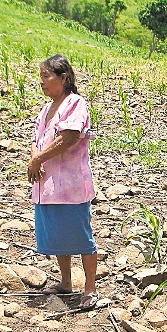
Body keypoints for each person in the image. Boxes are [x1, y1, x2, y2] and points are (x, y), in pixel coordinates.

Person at [28, 54, 99, 310]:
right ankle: (66, 282)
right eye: (41, 77)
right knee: (58, 235)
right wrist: (34, 160)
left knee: (81, 237)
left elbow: (68, 137)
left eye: (46, 76)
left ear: (63, 77)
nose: (42, 82)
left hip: (70, 185)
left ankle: (90, 287)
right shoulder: (46, 110)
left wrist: (38, 160)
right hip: (49, 186)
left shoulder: (74, 103)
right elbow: (38, 142)